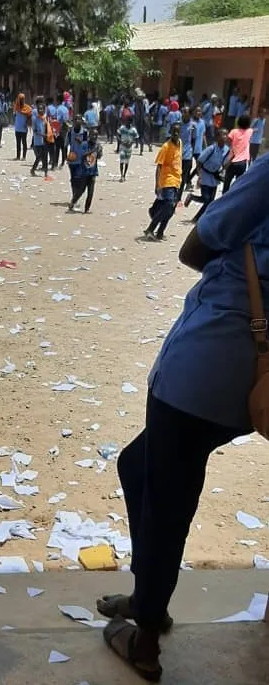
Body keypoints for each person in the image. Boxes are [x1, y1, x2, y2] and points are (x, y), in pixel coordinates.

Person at [97, 154, 269, 682]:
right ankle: (147, 593)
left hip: (213, 359)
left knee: (166, 495)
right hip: (253, 378)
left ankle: (147, 633)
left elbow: (193, 246)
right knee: (138, 465)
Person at [144, 123, 182, 241]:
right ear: (170, 132)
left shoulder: (180, 143)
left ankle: (160, 232)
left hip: (177, 180)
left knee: (170, 210)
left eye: (177, 131)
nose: (175, 134)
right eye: (173, 131)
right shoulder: (165, 147)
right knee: (169, 204)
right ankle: (150, 228)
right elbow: (159, 166)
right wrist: (157, 185)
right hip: (167, 180)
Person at [184, 128, 229, 222]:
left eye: (226, 135)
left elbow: (224, 164)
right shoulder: (211, 149)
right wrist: (200, 177)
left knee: (210, 201)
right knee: (206, 198)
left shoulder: (226, 150)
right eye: (222, 135)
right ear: (217, 137)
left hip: (214, 177)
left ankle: (197, 218)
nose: (225, 137)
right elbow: (199, 162)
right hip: (205, 175)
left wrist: (230, 162)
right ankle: (192, 197)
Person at [68, 125, 102, 213]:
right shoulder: (84, 144)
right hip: (84, 171)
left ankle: (87, 209)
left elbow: (99, 156)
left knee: (90, 192)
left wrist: (98, 152)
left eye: (96, 135)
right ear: (89, 136)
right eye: (92, 135)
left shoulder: (97, 145)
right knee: (81, 190)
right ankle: (73, 202)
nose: (94, 137)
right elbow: (82, 155)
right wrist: (93, 150)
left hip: (93, 171)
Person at [223, 115, 253, 193]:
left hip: (232, 161)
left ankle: (223, 197)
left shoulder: (233, 131)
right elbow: (252, 129)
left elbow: (228, 140)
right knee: (238, 183)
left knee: (227, 181)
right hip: (242, 162)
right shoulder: (249, 131)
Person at [31, 100, 52, 179]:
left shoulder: (45, 119)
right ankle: (33, 169)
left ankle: (46, 173)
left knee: (45, 157)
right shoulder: (35, 119)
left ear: (44, 109)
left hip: (45, 141)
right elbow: (35, 130)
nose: (40, 110)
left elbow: (48, 128)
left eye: (42, 109)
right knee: (39, 156)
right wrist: (43, 135)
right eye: (39, 109)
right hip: (38, 141)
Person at [178, 107, 194, 202]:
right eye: (183, 111)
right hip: (177, 154)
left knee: (183, 177)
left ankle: (178, 198)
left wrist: (192, 152)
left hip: (187, 154)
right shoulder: (177, 124)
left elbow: (194, 140)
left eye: (186, 112)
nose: (184, 113)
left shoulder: (193, 125)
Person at [117, 117, 139, 182]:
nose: (127, 123)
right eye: (127, 121)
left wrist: (132, 143)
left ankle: (124, 175)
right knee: (121, 161)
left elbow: (136, 137)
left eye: (129, 122)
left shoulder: (133, 130)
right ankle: (121, 175)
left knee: (127, 162)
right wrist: (120, 141)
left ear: (131, 122)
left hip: (129, 147)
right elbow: (118, 134)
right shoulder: (122, 128)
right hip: (122, 146)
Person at [13, 93, 31, 160]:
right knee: (18, 143)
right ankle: (18, 157)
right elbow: (14, 115)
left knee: (24, 143)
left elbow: (30, 116)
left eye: (22, 99)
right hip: (17, 128)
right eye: (20, 99)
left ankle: (24, 156)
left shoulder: (27, 108)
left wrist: (26, 123)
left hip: (24, 128)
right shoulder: (16, 107)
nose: (21, 100)